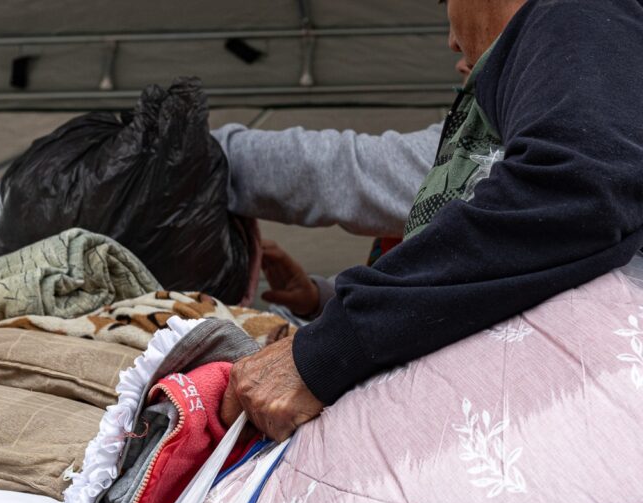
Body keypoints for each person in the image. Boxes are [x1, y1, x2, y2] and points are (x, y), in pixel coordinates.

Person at [220, 0, 643, 442]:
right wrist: (324, 305)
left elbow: (576, 189)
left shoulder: (581, 11)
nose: (451, 40)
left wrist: (329, 348)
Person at [214, 60, 474, 322]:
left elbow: (346, 169)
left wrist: (214, 155)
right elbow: (406, 289)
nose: (460, 62)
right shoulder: (467, 144)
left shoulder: (484, 155)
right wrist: (321, 299)